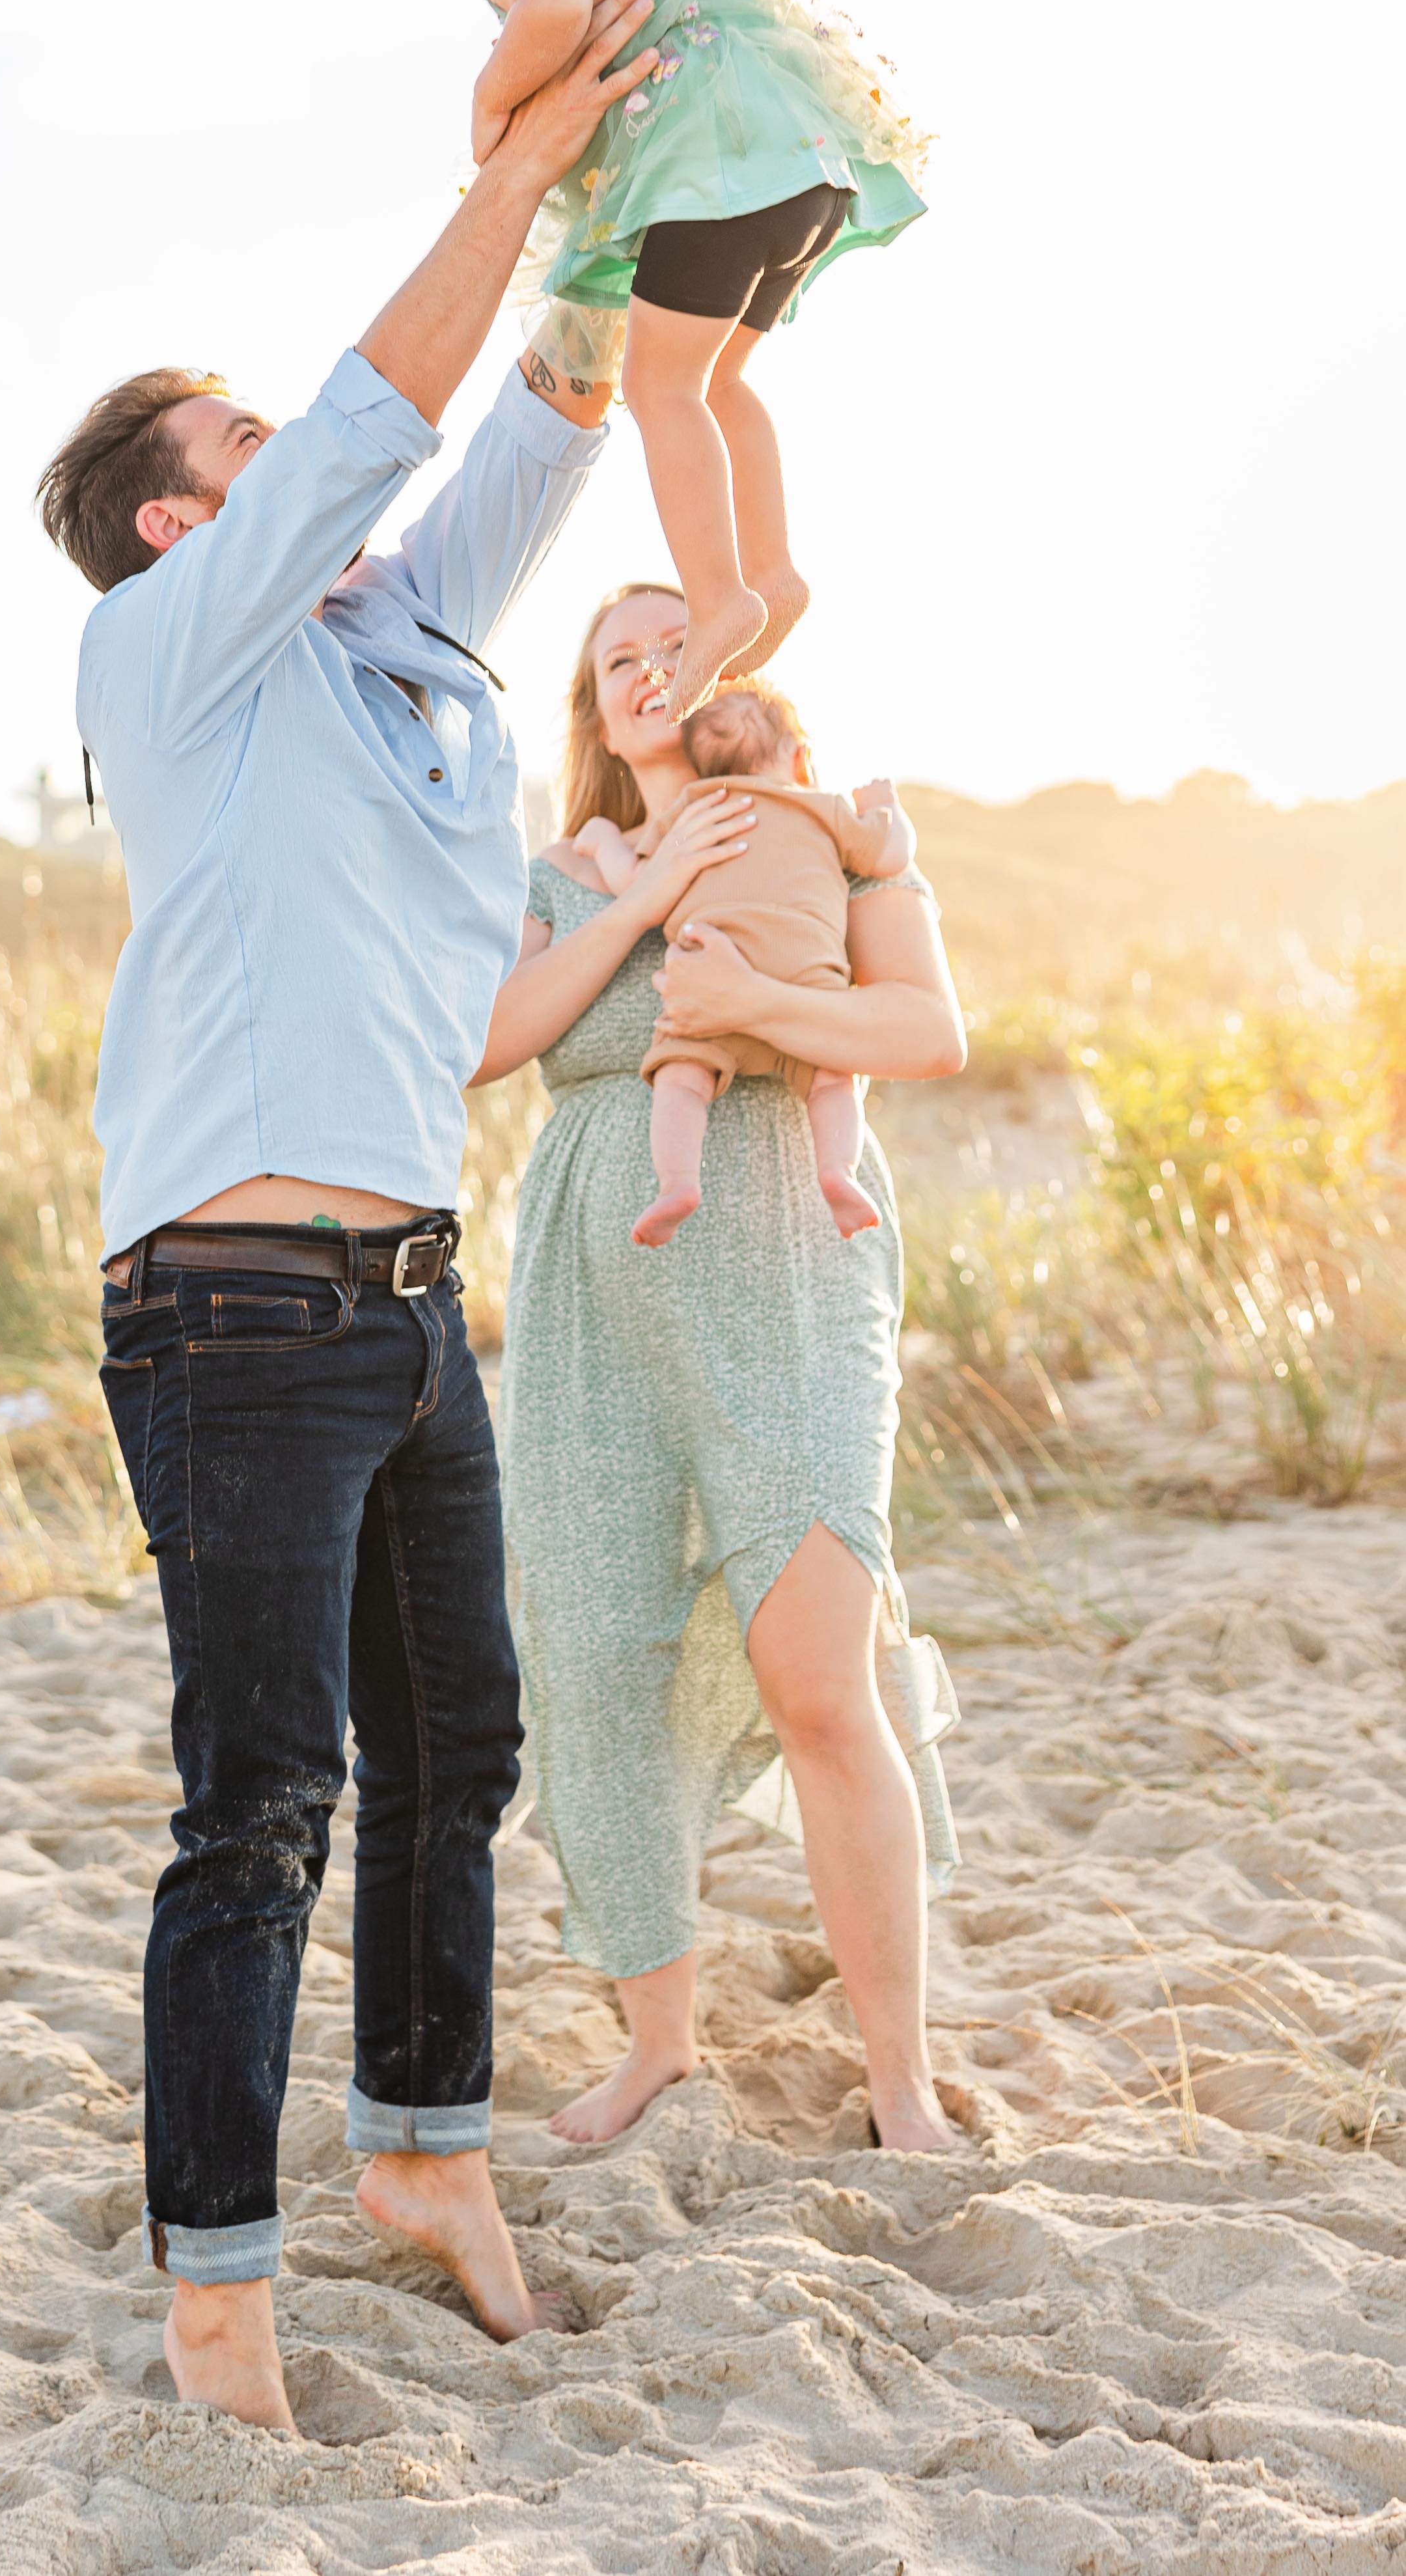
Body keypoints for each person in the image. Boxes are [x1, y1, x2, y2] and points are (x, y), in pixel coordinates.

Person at [33, 0, 658, 2435]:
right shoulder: (165, 646)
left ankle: (421, 2150)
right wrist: (499, 165)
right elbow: (399, 401)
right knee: (261, 1798)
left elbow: (548, 412)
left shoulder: (411, 661)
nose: (311, 454)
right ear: (190, 513)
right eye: (255, 440)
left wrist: (613, 188)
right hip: (232, 1316)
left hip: (408, 1305)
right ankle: (214, 2294)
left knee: (458, 1751)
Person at [477, 583, 967, 2151]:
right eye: (611, 659)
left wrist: (746, 996)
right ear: (592, 712)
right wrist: (635, 904)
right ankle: (660, 2040)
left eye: (666, 646)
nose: (640, 671)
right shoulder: (561, 873)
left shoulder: (833, 836)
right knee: (599, 1655)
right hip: (597, 1283)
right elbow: (486, 1043)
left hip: (788, 1253)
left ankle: (898, 2077)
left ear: (725, 673)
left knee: (823, 1675)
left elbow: (924, 1028)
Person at [361, 0, 931, 719]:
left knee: (658, 386)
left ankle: (720, 600)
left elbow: (553, 11)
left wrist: (490, 103)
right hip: (797, 172)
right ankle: (775, 566)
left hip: (708, 184)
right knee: (718, 382)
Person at [578, 680, 915, 1248]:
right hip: (809, 993)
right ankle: (838, 1172)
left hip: (706, 983)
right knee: (834, 1082)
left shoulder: (693, 812)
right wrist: (885, 805)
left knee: (680, 1082)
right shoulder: (821, 808)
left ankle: (677, 1184)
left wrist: (603, 841)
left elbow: (634, 883)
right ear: (800, 759)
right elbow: (892, 853)